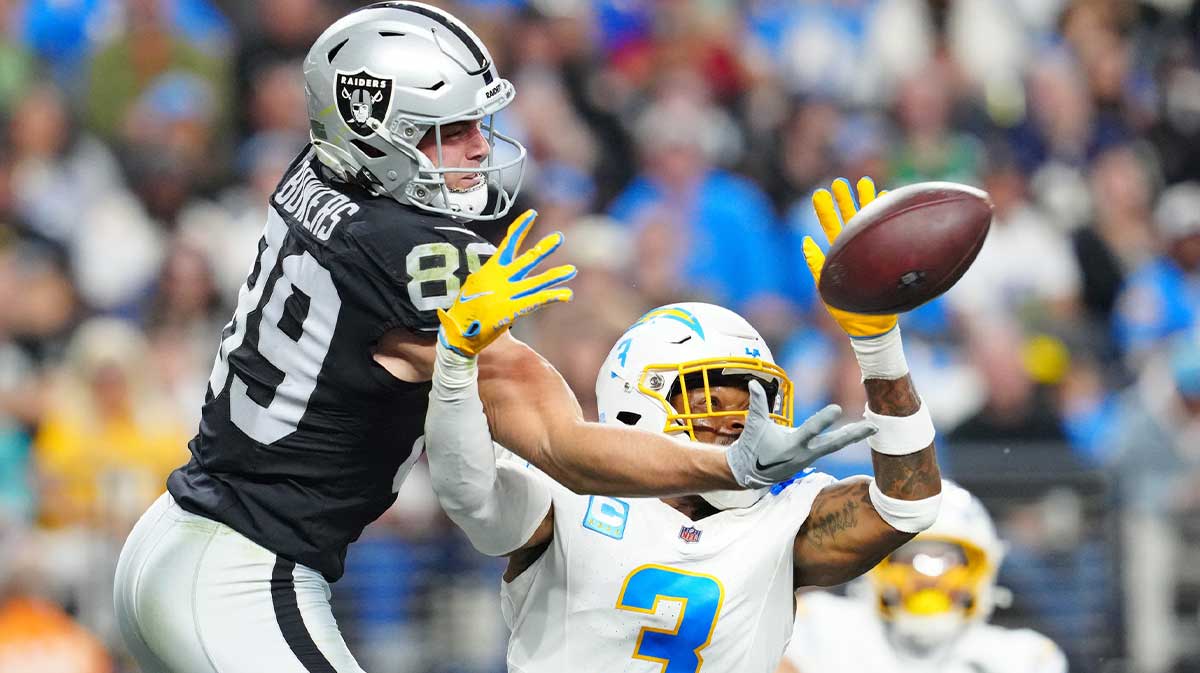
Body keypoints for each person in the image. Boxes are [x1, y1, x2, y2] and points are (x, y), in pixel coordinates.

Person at [112, 4, 848, 673]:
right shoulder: (415, 255)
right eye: (449, 131)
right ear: (376, 132)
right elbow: (559, 444)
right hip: (244, 572)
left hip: (181, 536)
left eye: (475, 124)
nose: (477, 147)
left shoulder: (320, 170)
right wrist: (728, 464)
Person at [424, 177, 945, 671]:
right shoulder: (572, 491)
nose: (740, 423)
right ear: (636, 402)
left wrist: (878, 346)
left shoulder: (782, 512)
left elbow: (908, 507)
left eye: (754, 403)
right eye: (711, 402)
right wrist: (455, 366)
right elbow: (469, 497)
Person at [777, 481, 1067, 673]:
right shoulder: (822, 626)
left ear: (981, 570)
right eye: (911, 558)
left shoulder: (1024, 658)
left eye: (947, 561)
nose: (929, 578)